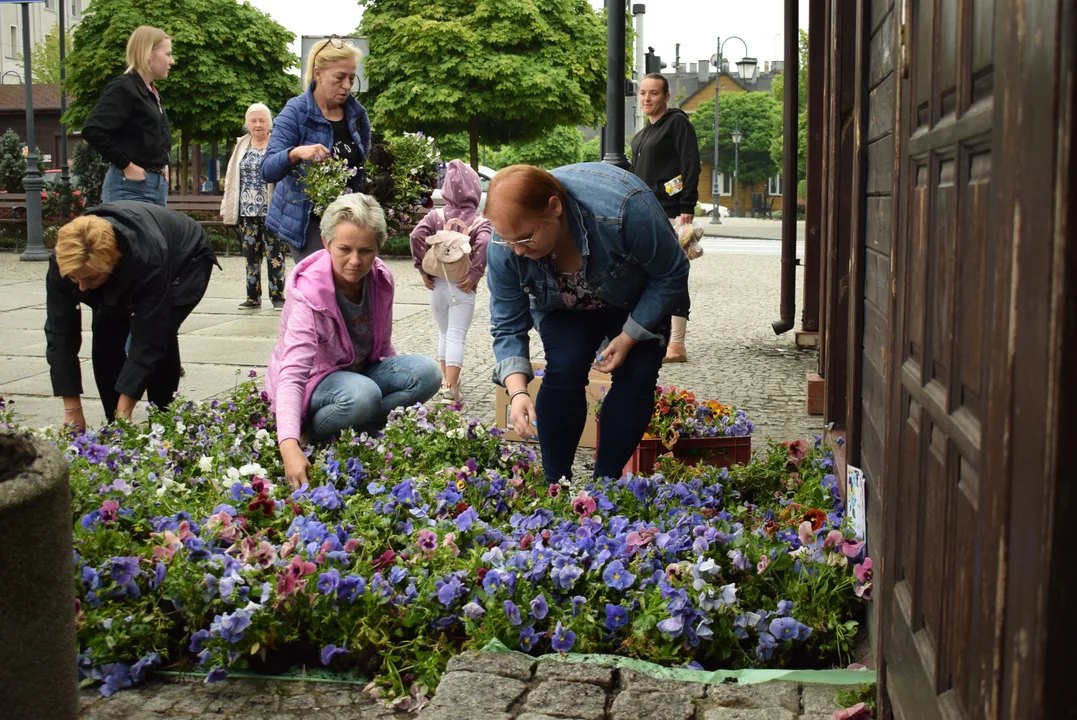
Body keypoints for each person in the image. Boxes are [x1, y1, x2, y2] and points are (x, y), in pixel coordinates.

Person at [485, 163, 690, 482]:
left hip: (633, 299)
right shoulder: (506, 246)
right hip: (563, 306)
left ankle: (604, 482)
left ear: (554, 208)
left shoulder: (626, 210)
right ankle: (557, 485)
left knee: (638, 373)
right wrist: (518, 393)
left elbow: (672, 271)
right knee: (564, 366)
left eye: (525, 238)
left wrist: (629, 336)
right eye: (508, 240)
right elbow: (507, 322)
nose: (518, 251)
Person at [266, 193, 442, 488]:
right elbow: (292, 374)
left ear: (378, 248)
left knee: (428, 372)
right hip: (316, 383)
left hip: (360, 375)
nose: (355, 261)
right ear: (326, 242)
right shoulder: (307, 294)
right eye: (345, 249)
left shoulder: (381, 279)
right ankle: (314, 434)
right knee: (364, 394)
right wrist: (289, 445)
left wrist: (405, 400)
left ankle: (362, 427)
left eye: (366, 251)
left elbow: (383, 348)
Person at [44, 202, 218, 429]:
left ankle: (163, 420)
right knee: (106, 331)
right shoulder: (63, 263)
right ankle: (113, 421)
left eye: (91, 280)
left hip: (185, 259)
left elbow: (148, 340)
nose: (82, 288)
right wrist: (72, 409)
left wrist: (125, 410)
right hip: (135, 251)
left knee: (161, 334)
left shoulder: (147, 261)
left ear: (112, 262)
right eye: (75, 280)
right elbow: (60, 334)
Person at [263, 36, 371, 264]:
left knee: (353, 286)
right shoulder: (296, 111)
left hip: (350, 220)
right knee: (322, 287)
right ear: (318, 72)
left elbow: (365, 166)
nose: (347, 85)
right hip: (307, 223)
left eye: (352, 78)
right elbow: (268, 169)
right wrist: (296, 153)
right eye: (340, 77)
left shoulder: (357, 114)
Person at [630, 72, 702, 364]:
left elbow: (690, 166)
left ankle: (677, 344)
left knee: (674, 273)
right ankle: (652, 334)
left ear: (666, 96)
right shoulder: (641, 134)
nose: (647, 99)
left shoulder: (677, 123)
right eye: (643, 93)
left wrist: (684, 204)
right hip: (647, 213)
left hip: (671, 213)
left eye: (654, 93)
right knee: (648, 273)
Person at [409, 160, 491, 404]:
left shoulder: (435, 216)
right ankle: (451, 389)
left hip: (437, 284)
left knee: (444, 333)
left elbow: (415, 235)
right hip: (462, 286)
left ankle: (448, 382)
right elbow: (486, 244)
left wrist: (422, 268)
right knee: (456, 335)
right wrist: (475, 273)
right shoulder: (479, 221)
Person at [82, 26, 175, 207]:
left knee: (153, 237)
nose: (172, 61)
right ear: (149, 54)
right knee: (129, 236)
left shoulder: (149, 92)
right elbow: (92, 130)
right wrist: (128, 166)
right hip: (130, 186)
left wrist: (160, 167)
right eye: (168, 54)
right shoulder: (124, 87)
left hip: (154, 185)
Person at [221, 103, 285, 309]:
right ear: (247, 123)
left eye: (262, 120)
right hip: (246, 210)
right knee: (250, 256)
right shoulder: (241, 145)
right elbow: (232, 177)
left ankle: (277, 296)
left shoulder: (277, 144)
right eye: (253, 121)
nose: (257, 125)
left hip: (272, 210)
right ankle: (252, 297)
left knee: (274, 255)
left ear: (269, 123)